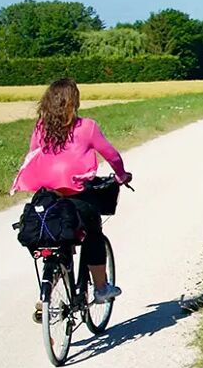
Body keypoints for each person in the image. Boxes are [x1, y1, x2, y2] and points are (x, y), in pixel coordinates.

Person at [12, 78, 132, 320]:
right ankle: (101, 288)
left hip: (46, 198)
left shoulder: (40, 128)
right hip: (77, 195)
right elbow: (111, 154)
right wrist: (121, 175)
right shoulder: (87, 127)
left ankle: (47, 295)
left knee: (58, 239)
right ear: (74, 101)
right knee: (93, 235)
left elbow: (32, 156)